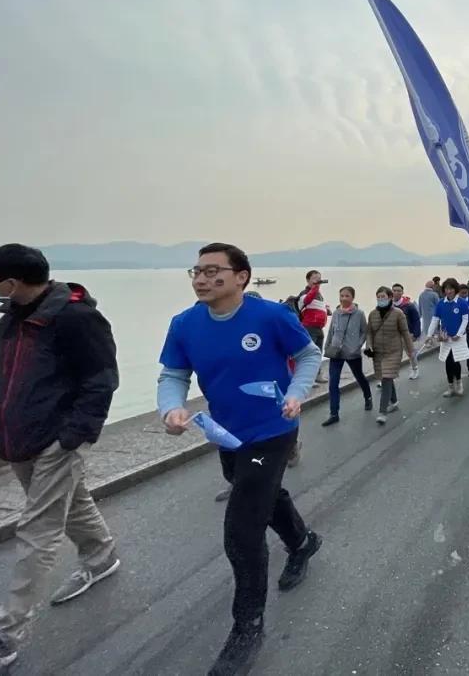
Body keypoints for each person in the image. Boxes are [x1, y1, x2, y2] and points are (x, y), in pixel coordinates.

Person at [157, 243, 323, 675]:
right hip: (227, 434)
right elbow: (173, 375)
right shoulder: (184, 324)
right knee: (264, 494)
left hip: (273, 430)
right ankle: (303, 543)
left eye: (213, 271)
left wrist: (297, 393)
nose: (202, 279)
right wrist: (170, 408)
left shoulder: (271, 316)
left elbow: (308, 354)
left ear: (241, 277)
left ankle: (247, 626)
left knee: (242, 528)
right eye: (197, 271)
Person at [0, 245, 120, 669]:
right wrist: (0, 432)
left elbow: (101, 380)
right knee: (72, 502)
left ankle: (6, 633)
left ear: (12, 282)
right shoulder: (11, 317)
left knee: (37, 530)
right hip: (18, 438)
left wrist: (72, 437)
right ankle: (101, 555)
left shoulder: (77, 319)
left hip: (58, 441)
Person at [364, 286, 417, 425]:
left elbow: (405, 332)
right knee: (385, 377)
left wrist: (411, 350)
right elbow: (369, 332)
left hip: (393, 351)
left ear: (390, 297)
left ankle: (382, 412)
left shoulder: (398, 313)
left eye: (383, 296)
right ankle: (394, 402)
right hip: (378, 352)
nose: (380, 299)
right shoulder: (372, 314)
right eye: (378, 297)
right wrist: (368, 346)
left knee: (386, 377)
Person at [321, 286, 372, 425]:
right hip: (336, 352)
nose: (343, 298)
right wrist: (327, 346)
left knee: (359, 376)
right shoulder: (336, 313)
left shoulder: (359, 314)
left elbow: (365, 332)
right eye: (341, 295)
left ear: (352, 297)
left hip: (352, 352)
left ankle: (368, 397)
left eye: (347, 296)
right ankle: (334, 413)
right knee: (333, 382)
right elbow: (331, 331)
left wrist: (357, 346)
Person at [426, 278, 469, 397]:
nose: (449, 291)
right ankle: (451, 387)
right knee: (448, 361)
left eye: (451, 289)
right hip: (445, 337)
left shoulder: (462, 303)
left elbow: (465, 320)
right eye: (446, 289)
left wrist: (458, 334)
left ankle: (459, 384)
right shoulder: (441, 303)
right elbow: (435, 320)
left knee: (455, 360)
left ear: (455, 289)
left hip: (457, 338)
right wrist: (429, 335)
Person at [298, 271, 331, 384]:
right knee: (309, 354)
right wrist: (315, 287)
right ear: (308, 280)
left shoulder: (319, 295)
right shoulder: (304, 293)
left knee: (318, 354)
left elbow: (317, 308)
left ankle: (317, 375)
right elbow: (306, 300)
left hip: (319, 328)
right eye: (314, 278)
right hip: (309, 328)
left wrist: (326, 310)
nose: (318, 280)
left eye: (319, 278)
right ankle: (307, 379)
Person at [417, 280, 440, 346]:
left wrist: (420, 314)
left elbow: (420, 306)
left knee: (426, 329)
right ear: (432, 286)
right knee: (434, 328)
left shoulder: (421, 295)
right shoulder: (434, 294)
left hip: (424, 315)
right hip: (434, 315)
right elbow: (439, 305)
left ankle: (428, 342)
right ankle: (434, 342)